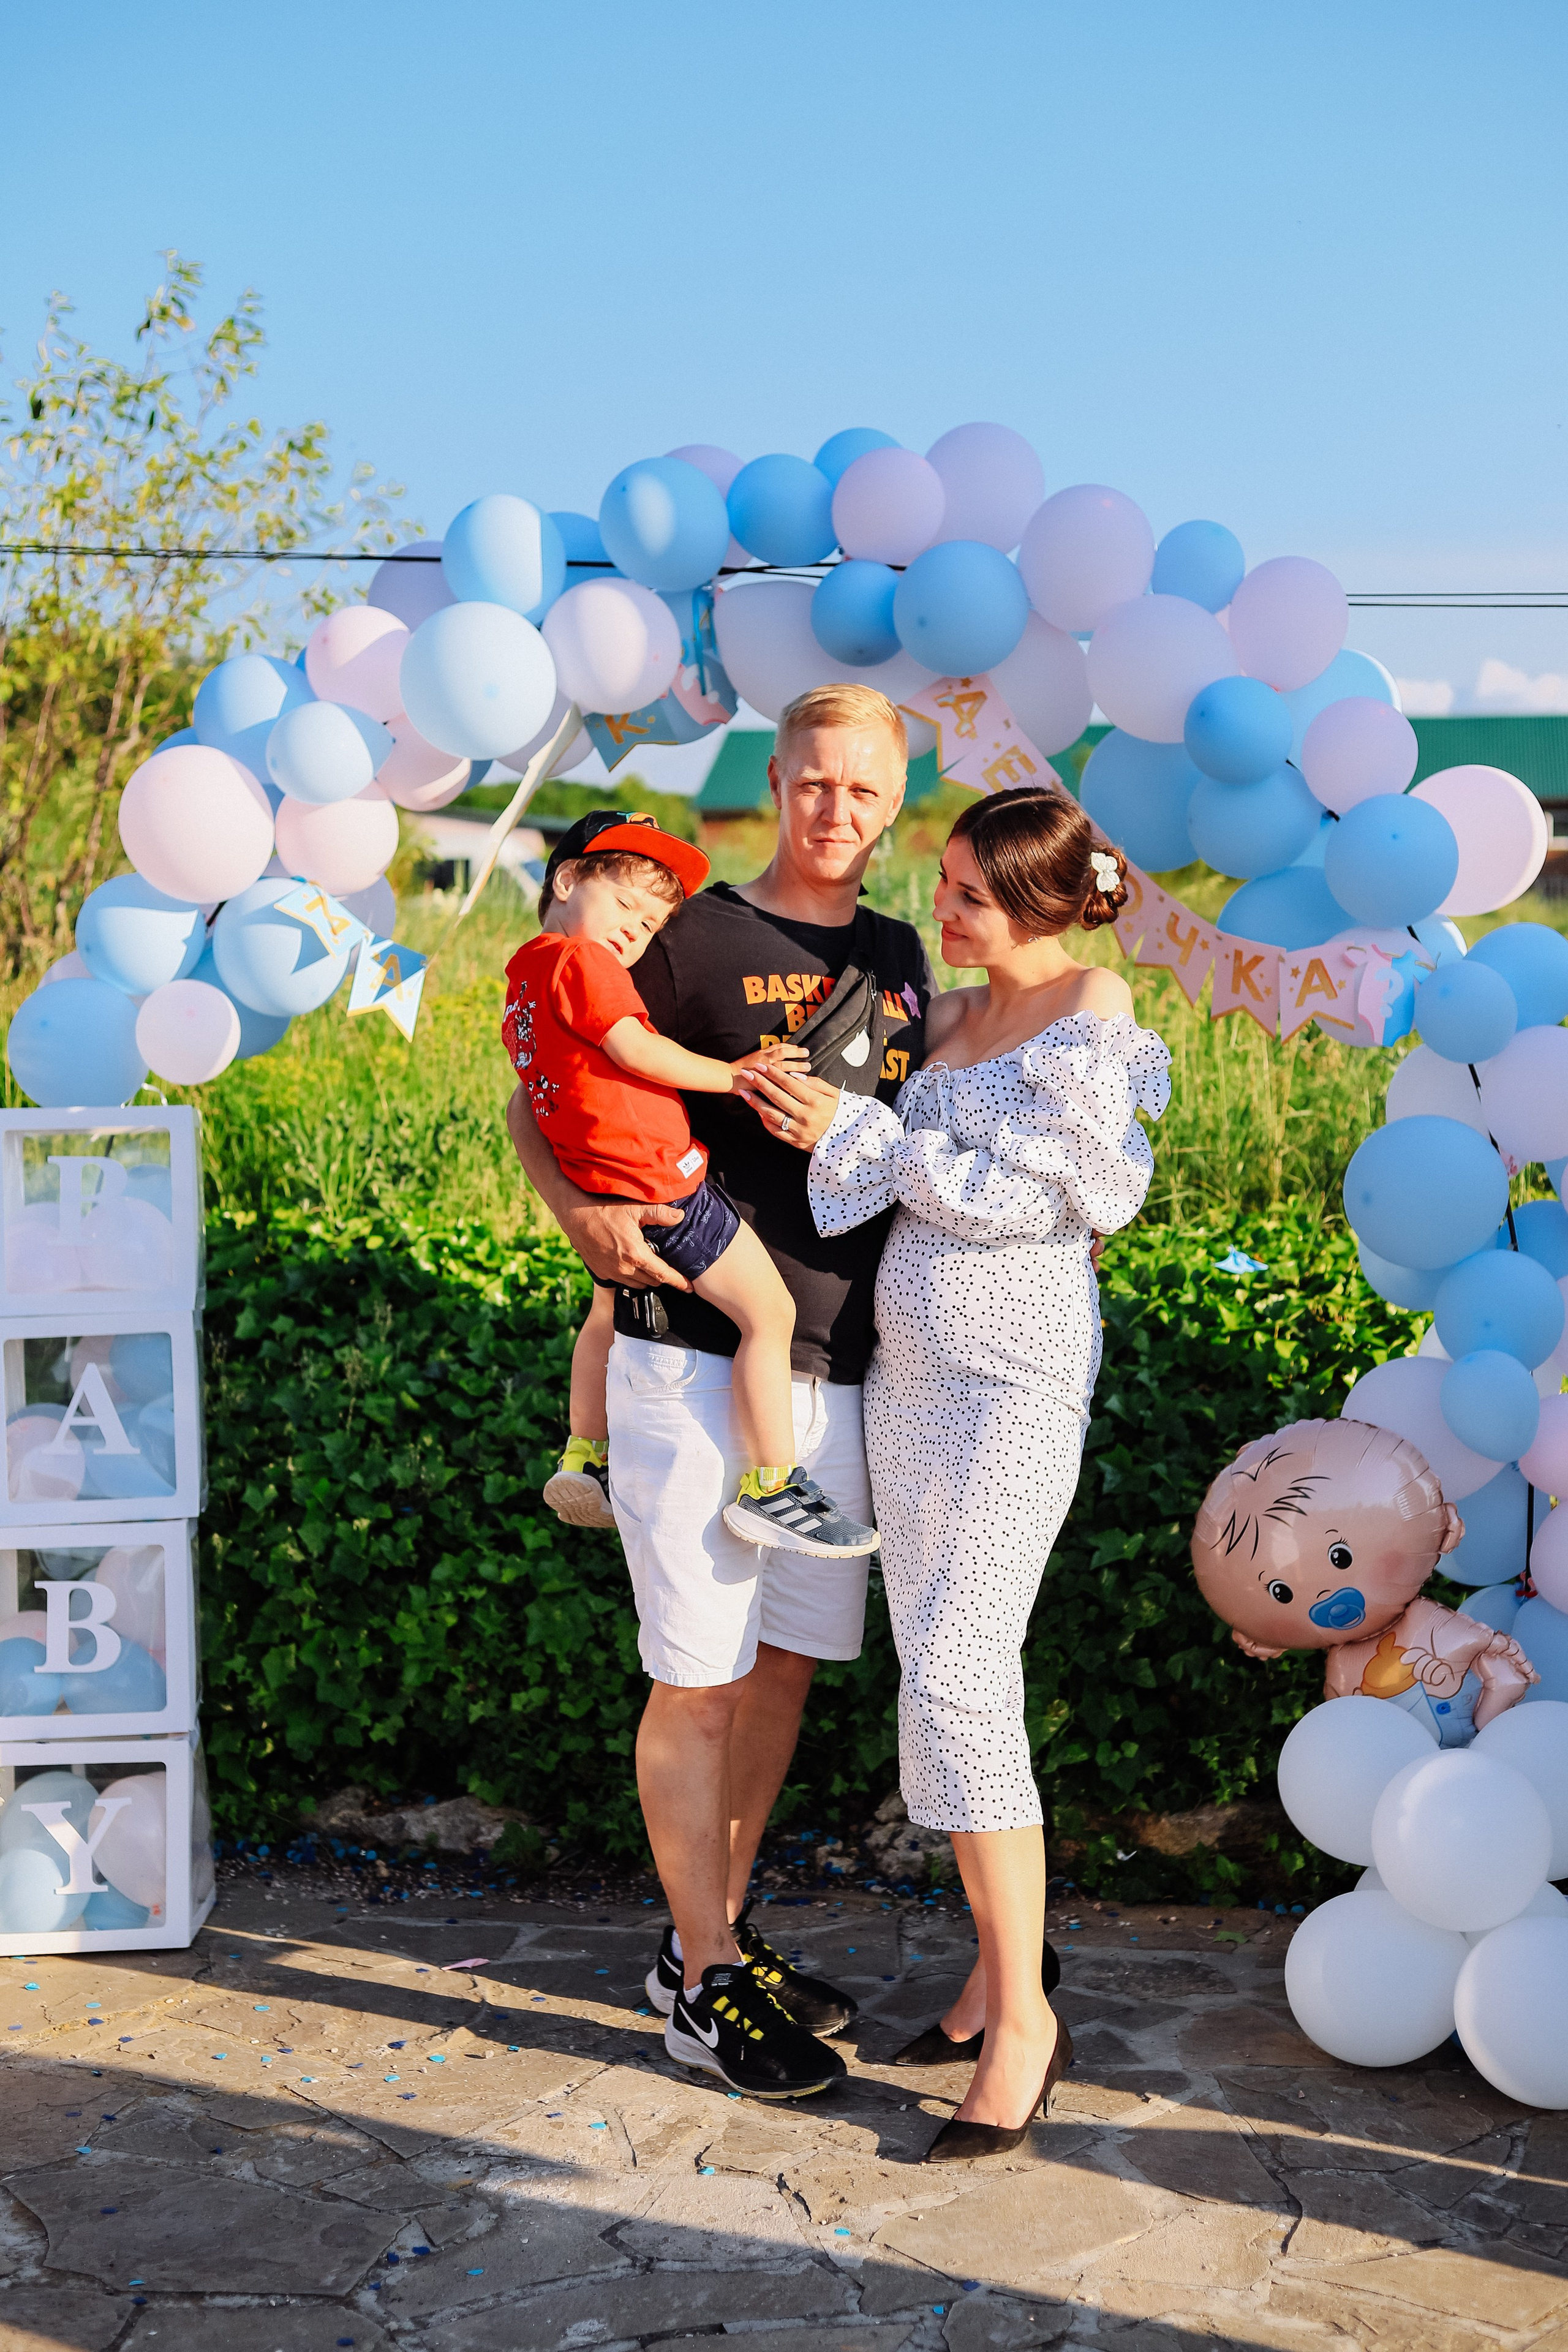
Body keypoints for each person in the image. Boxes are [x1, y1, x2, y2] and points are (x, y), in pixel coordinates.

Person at [504, 682, 933, 2101]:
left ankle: (717, 1938)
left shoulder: (896, 955)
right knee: (694, 1682)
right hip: (687, 1353)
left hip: (834, 1365)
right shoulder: (686, 935)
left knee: (780, 1669)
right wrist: (574, 1214)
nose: (835, 809)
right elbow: (533, 1091)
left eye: (863, 789)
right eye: (814, 781)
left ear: (892, 805)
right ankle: (700, 1985)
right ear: (775, 779)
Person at [744, 785, 1170, 2160]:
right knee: (933, 1673)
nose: (941, 910)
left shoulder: (1090, 1008)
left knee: (961, 1677)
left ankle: (1027, 2025)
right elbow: (867, 1187)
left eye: (971, 895)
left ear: (1046, 904)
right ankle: (999, 1972)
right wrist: (822, 1118)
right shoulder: (938, 1017)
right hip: (908, 1382)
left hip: (1015, 1379)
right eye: (943, 884)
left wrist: (865, 1137)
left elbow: (1054, 1198)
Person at [505, 809, 878, 1562]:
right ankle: (773, 1485)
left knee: (604, 1310)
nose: (632, 932)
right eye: (623, 905)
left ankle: (584, 1454)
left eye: (649, 925)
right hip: (663, 1181)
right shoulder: (584, 964)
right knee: (768, 1314)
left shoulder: (524, 974)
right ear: (568, 879)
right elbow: (636, 1048)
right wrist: (736, 1075)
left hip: (606, 1180)